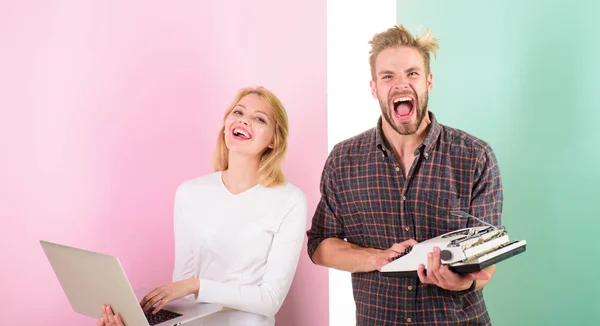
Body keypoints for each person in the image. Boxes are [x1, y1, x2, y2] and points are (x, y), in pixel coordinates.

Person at [306, 25, 503, 325]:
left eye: (412, 73)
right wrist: (377, 258)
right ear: (374, 87)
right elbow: (320, 246)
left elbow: (488, 255)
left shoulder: (474, 156)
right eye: (388, 76)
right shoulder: (343, 160)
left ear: (428, 81)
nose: (401, 84)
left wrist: (465, 283)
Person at [98, 86, 308, 326]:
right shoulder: (190, 193)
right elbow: (182, 289)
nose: (244, 120)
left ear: (273, 140)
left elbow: (270, 299)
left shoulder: (290, 201)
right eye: (238, 113)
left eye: (259, 118)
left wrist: (198, 286)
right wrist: (136, 320)